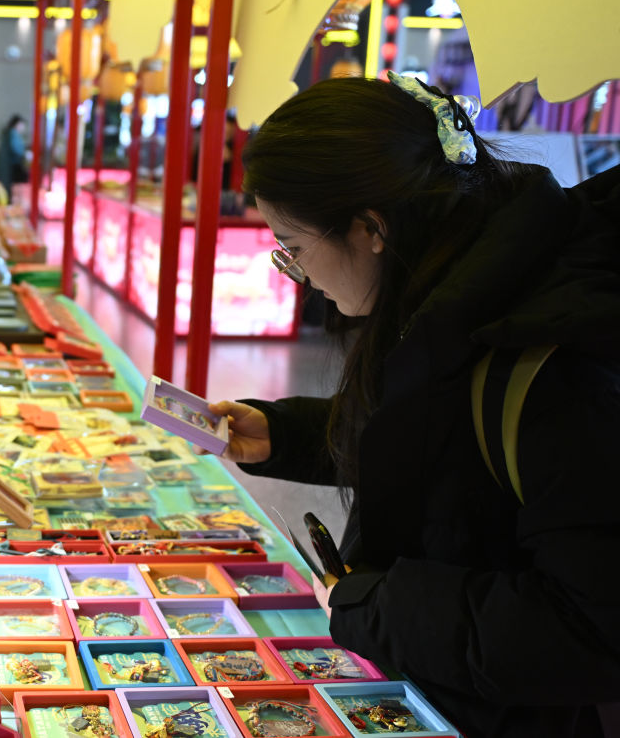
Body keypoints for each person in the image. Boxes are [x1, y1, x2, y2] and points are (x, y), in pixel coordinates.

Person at [210, 73, 620, 737]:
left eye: (293, 249)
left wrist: (379, 605)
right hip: (440, 692)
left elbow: (591, 629)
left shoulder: (553, 356)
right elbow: (430, 450)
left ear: (371, 227)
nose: (301, 278)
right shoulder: (453, 291)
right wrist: (284, 433)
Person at [0, 114, 29, 202]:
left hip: (10, 166)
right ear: (17, 124)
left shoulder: (9, 133)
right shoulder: (13, 134)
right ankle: (15, 203)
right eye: (22, 124)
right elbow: (18, 150)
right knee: (16, 187)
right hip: (14, 166)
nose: (23, 127)